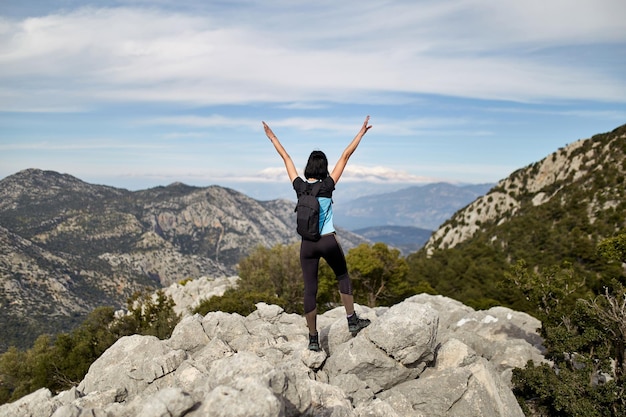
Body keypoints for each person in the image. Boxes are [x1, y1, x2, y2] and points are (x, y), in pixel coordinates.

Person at [262, 116, 373, 351]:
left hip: (307, 245)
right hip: (328, 241)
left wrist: (272, 137)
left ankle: (313, 338)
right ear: (323, 168)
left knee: (310, 289)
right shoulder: (328, 185)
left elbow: (286, 158)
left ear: (308, 168)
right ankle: (352, 320)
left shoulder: (300, 187)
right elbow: (346, 155)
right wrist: (360, 134)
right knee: (342, 276)